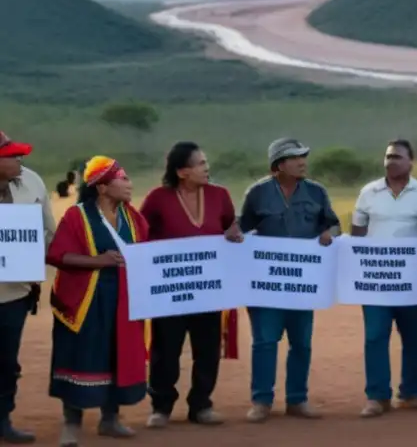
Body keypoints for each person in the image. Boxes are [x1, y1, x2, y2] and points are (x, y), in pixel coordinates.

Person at [47, 157, 148, 447]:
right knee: (80, 356)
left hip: (123, 301)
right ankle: (71, 424)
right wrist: (97, 261)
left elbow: (149, 252)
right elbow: (57, 255)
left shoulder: (133, 217)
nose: (129, 184)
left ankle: (110, 420)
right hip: (84, 301)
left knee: (116, 355)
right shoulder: (76, 217)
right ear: (102, 187)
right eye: (123, 179)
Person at [140, 142, 242, 428]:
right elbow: (140, 236)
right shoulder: (158, 198)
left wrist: (234, 233)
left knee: (207, 349)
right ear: (182, 171)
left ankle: (201, 405)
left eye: (205, 162)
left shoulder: (220, 195)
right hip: (170, 291)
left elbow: (228, 228)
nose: (206, 167)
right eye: (200, 163)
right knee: (166, 349)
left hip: (208, 290)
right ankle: (161, 406)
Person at [238, 138, 339, 423]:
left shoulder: (317, 192)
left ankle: (297, 399)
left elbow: (331, 222)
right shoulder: (257, 193)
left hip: (302, 284)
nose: (303, 162)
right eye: (295, 158)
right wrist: (232, 234)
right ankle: (261, 400)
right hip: (266, 285)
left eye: (304, 156)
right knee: (265, 341)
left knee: (302, 343)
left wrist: (330, 232)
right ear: (278, 166)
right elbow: (242, 228)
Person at [351, 140, 417, 417]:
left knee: (414, 337)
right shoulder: (368, 192)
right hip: (377, 280)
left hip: (414, 279)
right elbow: (358, 232)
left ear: (411, 162)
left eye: (398, 157)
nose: (391, 161)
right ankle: (377, 397)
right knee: (375, 336)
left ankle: (412, 392)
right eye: (388, 157)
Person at [0, 132, 57, 444]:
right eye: (11, 156)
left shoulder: (32, 181)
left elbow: (49, 231)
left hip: (15, 292)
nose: (19, 160)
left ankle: (3, 419)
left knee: (7, 361)